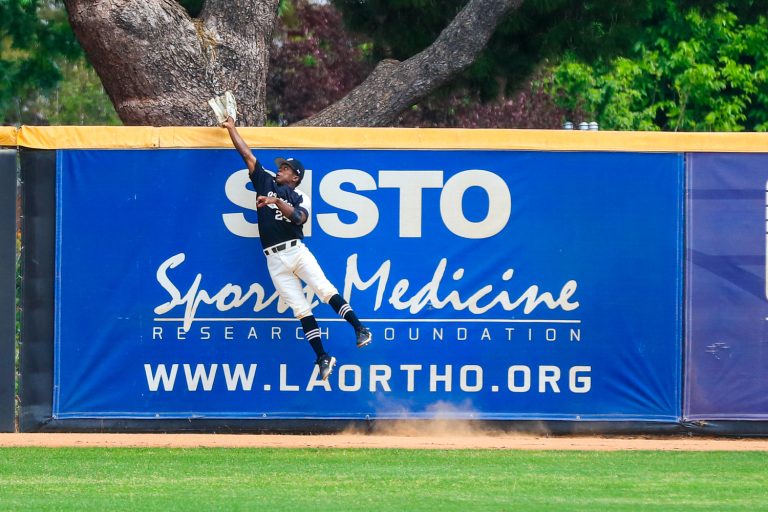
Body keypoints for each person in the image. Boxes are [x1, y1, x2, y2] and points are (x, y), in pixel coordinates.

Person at [221, 116, 372, 380]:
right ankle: (323, 357)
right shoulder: (267, 182)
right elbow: (247, 156)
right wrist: (231, 129)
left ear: (296, 177)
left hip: (296, 251)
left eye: (286, 168)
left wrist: (274, 202)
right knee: (300, 309)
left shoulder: (301, 196)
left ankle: (360, 329)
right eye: (281, 167)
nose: (280, 169)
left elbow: (299, 218)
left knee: (325, 291)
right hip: (273, 259)